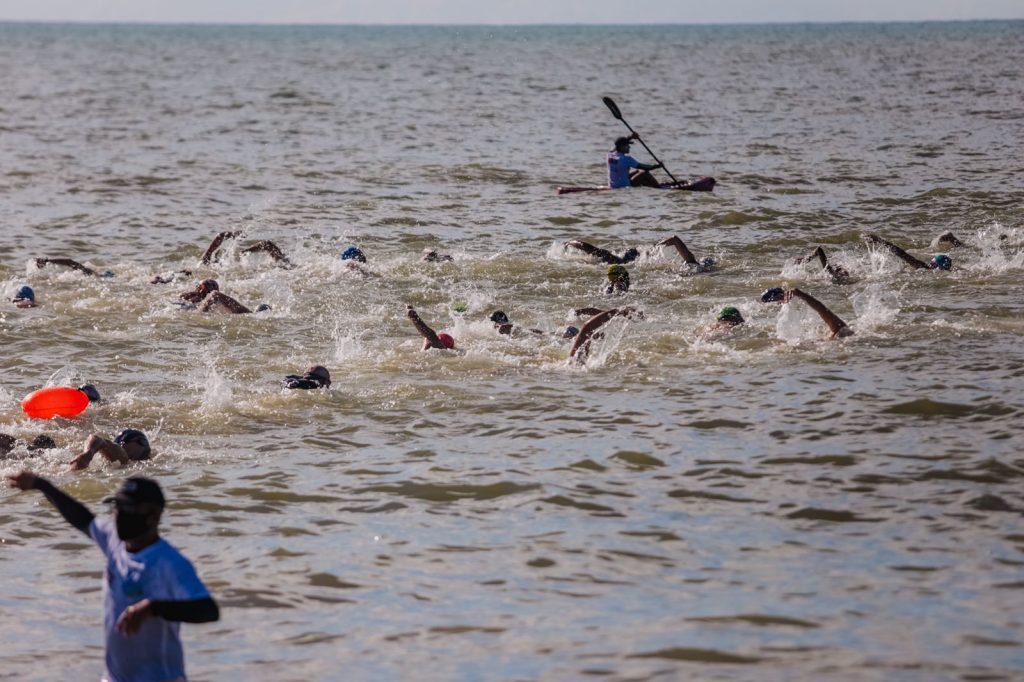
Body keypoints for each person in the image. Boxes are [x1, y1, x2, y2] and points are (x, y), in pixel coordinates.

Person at [6, 473, 219, 681]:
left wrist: (152, 608)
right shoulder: (114, 540)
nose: (120, 516)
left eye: (128, 509)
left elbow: (208, 610)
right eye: (117, 508)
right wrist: (41, 484)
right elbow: (82, 518)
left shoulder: (169, 562)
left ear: (154, 516)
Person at [569, 307, 643, 362]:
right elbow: (587, 328)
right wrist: (618, 312)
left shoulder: (575, 360)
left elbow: (587, 329)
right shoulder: (574, 361)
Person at [780, 288, 853, 339]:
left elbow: (821, 309)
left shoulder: (840, 331)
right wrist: (799, 293)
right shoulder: (837, 332)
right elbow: (821, 310)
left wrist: (799, 293)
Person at [70, 429, 152, 471]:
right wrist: (88, 454)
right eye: (141, 442)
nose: (145, 446)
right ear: (125, 444)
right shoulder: (122, 455)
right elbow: (98, 439)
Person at [201, 231, 291, 267]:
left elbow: (220, 236)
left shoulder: (204, 262)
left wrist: (232, 235)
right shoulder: (283, 264)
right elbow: (266, 244)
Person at [862, 234, 952, 270]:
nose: (930, 265)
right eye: (931, 264)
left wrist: (880, 241)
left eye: (933, 264)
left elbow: (901, 253)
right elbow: (902, 254)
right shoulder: (924, 267)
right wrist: (881, 241)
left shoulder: (923, 268)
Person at [563, 240, 640, 265]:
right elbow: (584, 246)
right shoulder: (618, 261)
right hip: (605, 257)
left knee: (590, 250)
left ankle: (570, 243)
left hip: (605, 256)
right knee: (590, 250)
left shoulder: (617, 260)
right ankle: (570, 243)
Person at [35, 257, 114, 277]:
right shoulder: (91, 273)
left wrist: (48, 261)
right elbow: (70, 262)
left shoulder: (89, 273)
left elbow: (69, 262)